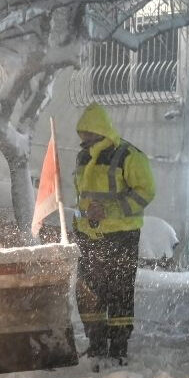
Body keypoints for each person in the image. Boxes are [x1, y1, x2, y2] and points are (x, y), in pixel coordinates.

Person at [72, 103, 155, 364]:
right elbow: (83, 197)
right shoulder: (83, 157)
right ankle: (96, 343)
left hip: (121, 235)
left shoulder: (129, 156)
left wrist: (110, 210)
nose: (83, 138)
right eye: (81, 133)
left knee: (118, 292)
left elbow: (145, 192)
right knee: (88, 292)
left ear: (99, 130)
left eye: (87, 132)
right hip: (90, 235)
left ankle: (118, 346)